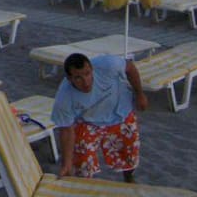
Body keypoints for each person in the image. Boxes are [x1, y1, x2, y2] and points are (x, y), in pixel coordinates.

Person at [52, 52, 148, 183]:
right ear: (69, 78)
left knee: (130, 155)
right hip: (89, 122)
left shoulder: (107, 65)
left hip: (121, 113)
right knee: (82, 161)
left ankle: (128, 177)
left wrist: (140, 94)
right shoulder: (64, 98)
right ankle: (84, 183)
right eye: (78, 78)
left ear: (92, 69)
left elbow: (130, 68)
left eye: (87, 74)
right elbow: (66, 130)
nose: (86, 82)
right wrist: (66, 163)